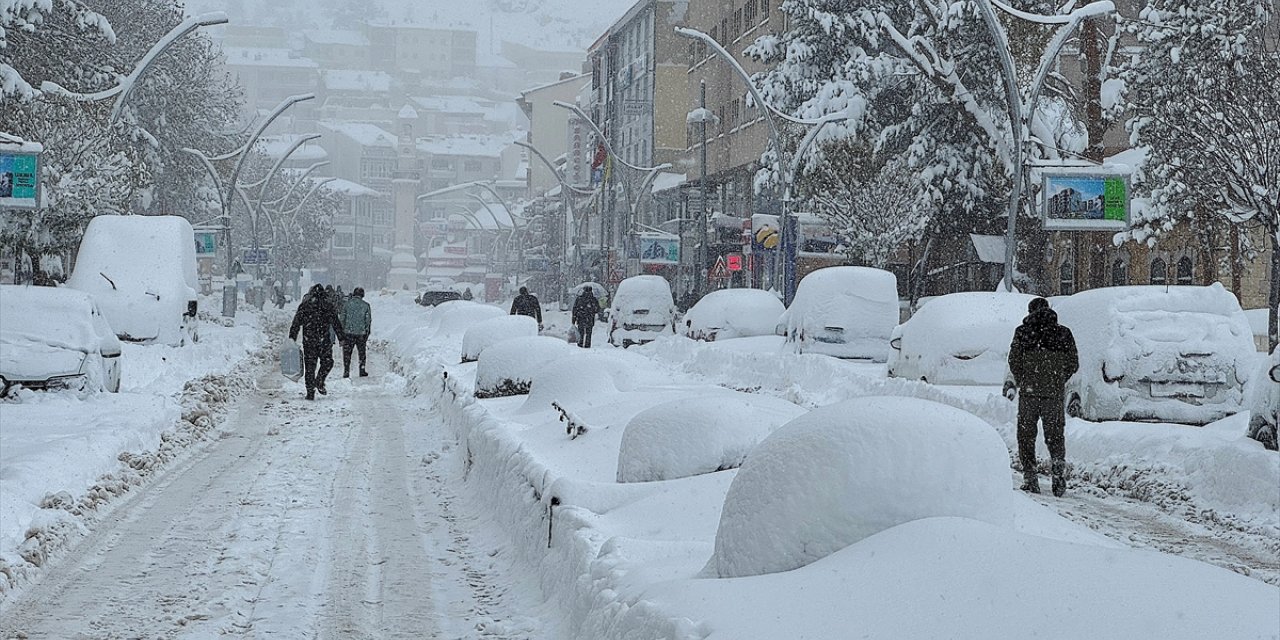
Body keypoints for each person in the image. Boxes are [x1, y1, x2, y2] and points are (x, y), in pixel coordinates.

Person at [1007, 297, 1079, 496]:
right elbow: (1073, 362)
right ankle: (1057, 469)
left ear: (1030, 311)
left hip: (1029, 395)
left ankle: (1031, 478)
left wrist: (1025, 379)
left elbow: (1013, 361)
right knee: (1055, 435)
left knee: (1026, 436)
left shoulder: (1022, 332)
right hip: (1053, 395)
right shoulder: (1063, 333)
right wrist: (1058, 378)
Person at [290, 284, 344, 400]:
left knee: (310, 367)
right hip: (324, 340)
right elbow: (336, 322)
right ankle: (319, 380)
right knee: (327, 362)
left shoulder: (305, 306)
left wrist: (292, 338)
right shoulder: (327, 305)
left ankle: (310, 392)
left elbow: (296, 323)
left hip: (309, 341)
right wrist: (341, 337)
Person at [339, 287, 372, 378]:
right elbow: (368, 320)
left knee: (347, 353)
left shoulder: (346, 305)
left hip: (348, 332)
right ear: (362, 295)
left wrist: (341, 331)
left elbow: (342, 319)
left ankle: (346, 370)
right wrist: (367, 331)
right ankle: (362, 369)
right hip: (361, 333)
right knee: (361, 352)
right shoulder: (366, 305)